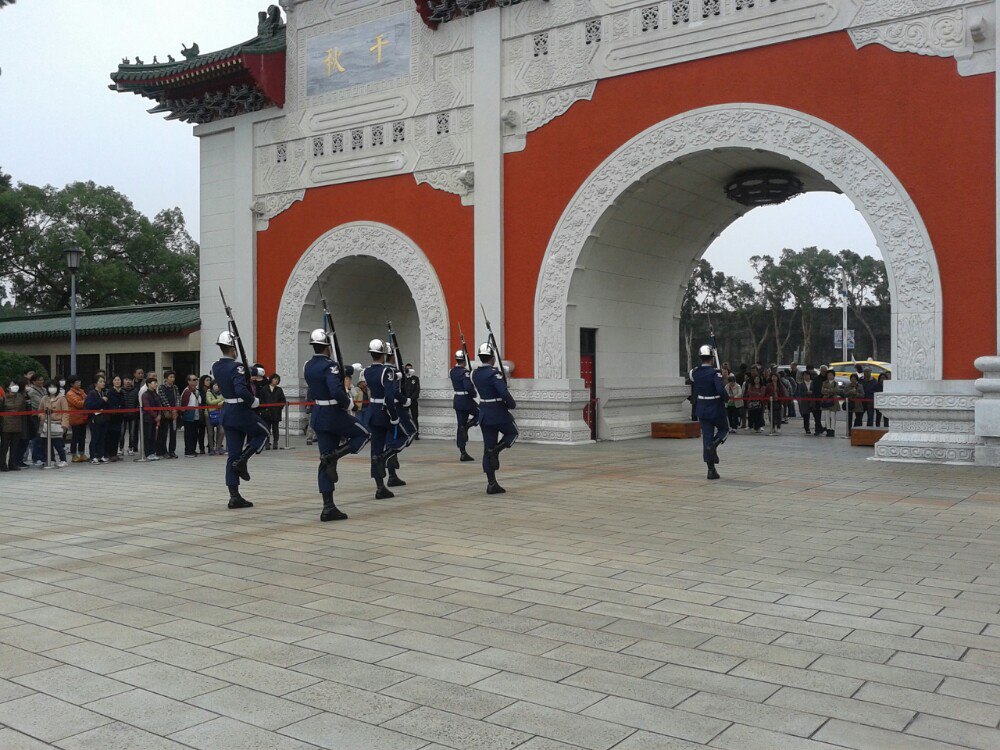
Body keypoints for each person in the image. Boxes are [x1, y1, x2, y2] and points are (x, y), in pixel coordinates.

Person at [303, 328, 371, 521]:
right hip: (333, 414)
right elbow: (335, 390)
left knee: (323, 459)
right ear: (327, 347)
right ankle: (335, 456)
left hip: (318, 414)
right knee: (364, 434)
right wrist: (349, 403)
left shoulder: (308, 365)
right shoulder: (330, 366)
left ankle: (328, 506)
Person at [211, 332, 269, 509]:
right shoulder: (237, 367)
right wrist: (254, 401)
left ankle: (234, 496)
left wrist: (254, 370)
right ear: (232, 348)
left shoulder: (216, 366)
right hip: (241, 411)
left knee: (232, 454)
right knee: (264, 433)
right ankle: (244, 460)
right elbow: (240, 387)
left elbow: (237, 370)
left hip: (227, 411)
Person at [472, 342, 518, 494]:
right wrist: (511, 404)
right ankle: (497, 450)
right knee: (513, 432)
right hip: (497, 412)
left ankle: (491, 483)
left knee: (487, 446)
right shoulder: (494, 373)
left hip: (484, 413)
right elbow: (503, 392)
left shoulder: (475, 373)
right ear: (492, 358)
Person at [363, 339, 401, 499]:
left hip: (372, 411)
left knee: (375, 449)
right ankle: (387, 465)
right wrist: (394, 417)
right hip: (384, 412)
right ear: (383, 354)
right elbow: (389, 396)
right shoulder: (387, 372)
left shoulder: (366, 371)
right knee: (399, 440)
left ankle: (380, 486)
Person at [690, 345, 728, 480]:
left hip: (702, 408)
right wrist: (726, 396)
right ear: (712, 358)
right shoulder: (714, 373)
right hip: (715, 407)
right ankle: (715, 444)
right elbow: (720, 390)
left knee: (706, 438)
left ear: (700, 358)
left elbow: (695, 381)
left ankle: (711, 470)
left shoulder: (695, 372)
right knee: (724, 429)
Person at [450, 349, 479, 461]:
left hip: (457, 400)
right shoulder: (464, 372)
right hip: (466, 399)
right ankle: (467, 427)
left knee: (460, 424)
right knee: (481, 414)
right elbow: (467, 386)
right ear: (464, 360)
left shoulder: (452, 371)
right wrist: (473, 393)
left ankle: (463, 451)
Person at [39, 380, 69, 467]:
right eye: (50, 387)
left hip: (57, 423)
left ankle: (63, 460)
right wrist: (42, 416)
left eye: (54, 386)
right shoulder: (44, 398)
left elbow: (65, 412)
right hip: (45, 424)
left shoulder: (62, 398)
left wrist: (64, 425)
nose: (52, 389)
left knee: (58, 443)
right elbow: (40, 410)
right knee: (46, 444)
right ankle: (50, 459)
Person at [0, 379, 28, 471]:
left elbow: (23, 409)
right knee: (4, 447)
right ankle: (2, 464)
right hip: (5, 425)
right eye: (12, 384)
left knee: (14, 446)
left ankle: (12, 464)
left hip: (17, 424)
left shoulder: (20, 396)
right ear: (8, 387)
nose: (14, 386)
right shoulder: (3, 397)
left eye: (15, 384)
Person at [85, 375, 109, 464]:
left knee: (102, 437)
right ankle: (92, 456)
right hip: (94, 418)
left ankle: (101, 455)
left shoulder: (103, 392)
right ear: (96, 383)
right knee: (95, 437)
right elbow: (90, 406)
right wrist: (102, 400)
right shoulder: (92, 393)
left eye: (103, 381)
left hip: (103, 418)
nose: (103, 383)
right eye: (101, 381)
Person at [157, 371, 180, 458]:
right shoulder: (161, 388)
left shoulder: (175, 388)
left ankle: (172, 451)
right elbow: (163, 399)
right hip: (165, 413)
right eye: (170, 377)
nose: (172, 379)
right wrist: (170, 409)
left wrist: (176, 409)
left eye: (173, 377)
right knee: (164, 433)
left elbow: (178, 398)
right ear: (166, 378)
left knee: (173, 433)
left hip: (174, 413)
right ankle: (163, 451)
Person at [65, 376, 88, 462]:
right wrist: (86, 400)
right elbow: (78, 404)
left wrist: (85, 400)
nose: (79, 383)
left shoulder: (81, 391)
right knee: (75, 437)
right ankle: (74, 455)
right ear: (72, 384)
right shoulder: (70, 393)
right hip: (75, 418)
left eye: (79, 381)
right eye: (77, 382)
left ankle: (82, 453)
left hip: (83, 417)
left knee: (83, 437)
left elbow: (87, 399)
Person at [26, 373, 46, 466]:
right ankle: (36, 458)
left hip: (45, 416)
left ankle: (43, 456)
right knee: (37, 438)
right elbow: (39, 403)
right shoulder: (32, 391)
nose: (41, 381)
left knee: (43, 437)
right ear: (34, 381)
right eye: (39, 380)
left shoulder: (44, 389)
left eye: (42, 379)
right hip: (36, 416)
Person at [141, 374, 162, 461]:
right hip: (148, 419)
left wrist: (159, 415)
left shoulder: (156, 394)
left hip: (156, 418)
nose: (156, 384)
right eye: (154, 383)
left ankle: (153, 452)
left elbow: (159, 405)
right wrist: (155, 416)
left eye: (156, 383)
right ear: (149, 384)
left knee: (154, 436)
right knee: (148, 436)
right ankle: (148, 453)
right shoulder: (145, 395)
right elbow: (147, 407)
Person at [180, 374, 202, 457]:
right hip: (189, 415)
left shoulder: (196, 390)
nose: (195, 381)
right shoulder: (186, 391)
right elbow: (183, 404)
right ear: (188, 381)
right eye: (193, 380)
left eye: (196, 379)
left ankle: (193, 449)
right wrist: (183, 414)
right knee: (189, 434)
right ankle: (188, 451)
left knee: (194, 434)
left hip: (196, 415)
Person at [105, 375, 125, 461]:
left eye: (119, 380)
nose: (117, 382)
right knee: (111, 436)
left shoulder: (121, 392)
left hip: (119, 417)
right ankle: (110, 454)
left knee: (117, 435)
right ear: (112, 382)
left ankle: (114, 453)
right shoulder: (110, 392)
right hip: (112, 417)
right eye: (116, 380)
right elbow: (110, 404)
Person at [265, 373, 285, 449]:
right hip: (266, 411)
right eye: (275, 379)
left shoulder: (279, 389)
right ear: (271, 379)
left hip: (276, 412)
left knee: (275, 428)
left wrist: (279, 407)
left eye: (277, 379)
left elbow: (283, 400)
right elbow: (262, 399)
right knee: (267, 428)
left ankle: (275, 442)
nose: (276, 381)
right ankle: (267, 442)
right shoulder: (265, 389)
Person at [205, 380, 225, 455]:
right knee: (210, 433)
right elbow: (210, 402)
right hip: (209, 415)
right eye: (216, 385)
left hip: (220, 414)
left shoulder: (222, 393)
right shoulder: (209, 392)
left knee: (222, 431)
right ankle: (211, 449)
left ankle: (218, 448)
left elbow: (224, 402)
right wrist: (220, 400)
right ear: (212, 385)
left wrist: (217, 402)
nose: (217, 387)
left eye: (219, 385)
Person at [402, 363, 420, 439]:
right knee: (404, 417)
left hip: (413, 401)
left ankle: (416, 433)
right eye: (407, 369)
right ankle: (405, 432)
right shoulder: (402, 379)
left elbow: (417, 389)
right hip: (404, 401)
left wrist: (411, 398)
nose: (409, 370)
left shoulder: (415, 378)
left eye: (410, 368)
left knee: (415, 417)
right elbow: (401, 390)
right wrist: (405, 399)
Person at [121, 376, 139, 456]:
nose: (128, 381)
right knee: (121, 433)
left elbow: (138, 402)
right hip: (122, 415)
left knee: (132, 433)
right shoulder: (120, 390)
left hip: (133, 415)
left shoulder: (136, 390)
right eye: (126, 379)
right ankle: (121, 448)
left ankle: (131, 448)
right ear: (123, 380)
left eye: (129, 379)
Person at [821, 369, 841, 437]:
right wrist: (830, 390)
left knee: (833, 416)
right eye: (828, 375)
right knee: (827, 416)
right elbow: (822, 391)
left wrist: (828, 390)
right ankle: (828, 429)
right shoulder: (824, 382)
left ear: (834, 376)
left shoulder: (836, 383)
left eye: (831, 375)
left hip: (833, 401)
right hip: (826, 400)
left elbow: (836, 390)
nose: (829, 376)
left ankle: (832, 430)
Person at [197, 375, 213, 455]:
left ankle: (211, 447)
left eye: (209, 380)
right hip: (202, 412)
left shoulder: (212, 390)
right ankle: (201, 448)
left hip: (211, 412)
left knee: (211, 431)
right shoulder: (199, 391)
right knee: (202, 431)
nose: (208, 382)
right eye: (207, 380)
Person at [810, 365, 828, 437]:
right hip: (817, 399)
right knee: (817, 416)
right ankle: (818, 429)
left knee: (828, 416)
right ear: (820, 371)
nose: (824, 372)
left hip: (826, 399)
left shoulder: (828, 379)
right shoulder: (816, 379)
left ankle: (828, 430)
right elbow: (813, 389)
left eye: (825, 371)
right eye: (823, 371)